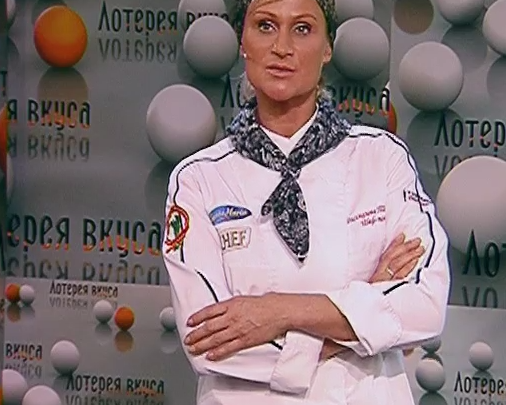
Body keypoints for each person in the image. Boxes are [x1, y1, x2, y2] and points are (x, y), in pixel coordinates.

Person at [161, 0, 452, 402]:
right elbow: (207, 342)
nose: (282, 47)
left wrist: (276, 312)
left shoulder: (382, 157)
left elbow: (425, 305)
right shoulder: (198, 179)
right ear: (242, 42)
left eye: (302, 29)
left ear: (327, 47)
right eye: (265, 26)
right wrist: (366, 311)